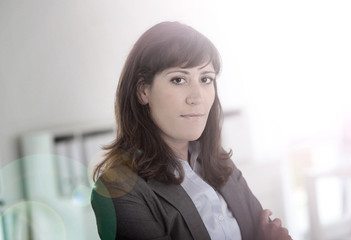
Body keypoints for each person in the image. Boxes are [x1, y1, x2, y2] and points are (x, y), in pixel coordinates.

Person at [91, 21, 292, 240]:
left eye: (206, 79)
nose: (197, 97)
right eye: (179, 79)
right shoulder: (119, 190)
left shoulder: (220, 161)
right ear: (143, 91)